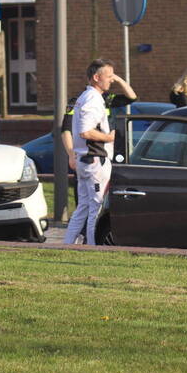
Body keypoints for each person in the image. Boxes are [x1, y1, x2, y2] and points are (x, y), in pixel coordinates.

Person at [60, 72, 137, 211]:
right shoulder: (78, 101)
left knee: (101, 197)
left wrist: (118, 79)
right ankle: (86, 230)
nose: (110, 81)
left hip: (107, 156)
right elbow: (66, 130)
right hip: (87, 155)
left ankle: (95, 228)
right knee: (85, 200)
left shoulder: (106, 99)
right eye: (107, 77)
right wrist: (71, 154)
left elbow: (132, 97)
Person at [64, 58, 119, 246]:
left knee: (83, 207)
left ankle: (67, 244)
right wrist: (109, 138)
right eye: (109, 76)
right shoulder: (92, 99)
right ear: (96, 77)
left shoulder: (83, 97)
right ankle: (94, 249)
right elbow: (85, 131)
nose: (111, 80)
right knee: (96, 208)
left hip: (85, 160)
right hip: (95, 161)